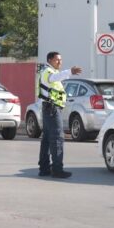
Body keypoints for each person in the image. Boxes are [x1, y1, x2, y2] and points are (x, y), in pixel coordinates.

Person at [37, 51, 82, 179]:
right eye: (57, 60)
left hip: (50, 108)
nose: (60, 62)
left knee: (47, 139)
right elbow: (53, 78)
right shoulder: (48, 72)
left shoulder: (50, 71)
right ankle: (57, 170)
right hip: (52, 109)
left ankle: (44, 168)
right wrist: (69, 71)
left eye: (61, 60)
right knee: (57, 138)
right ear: (50, 60)